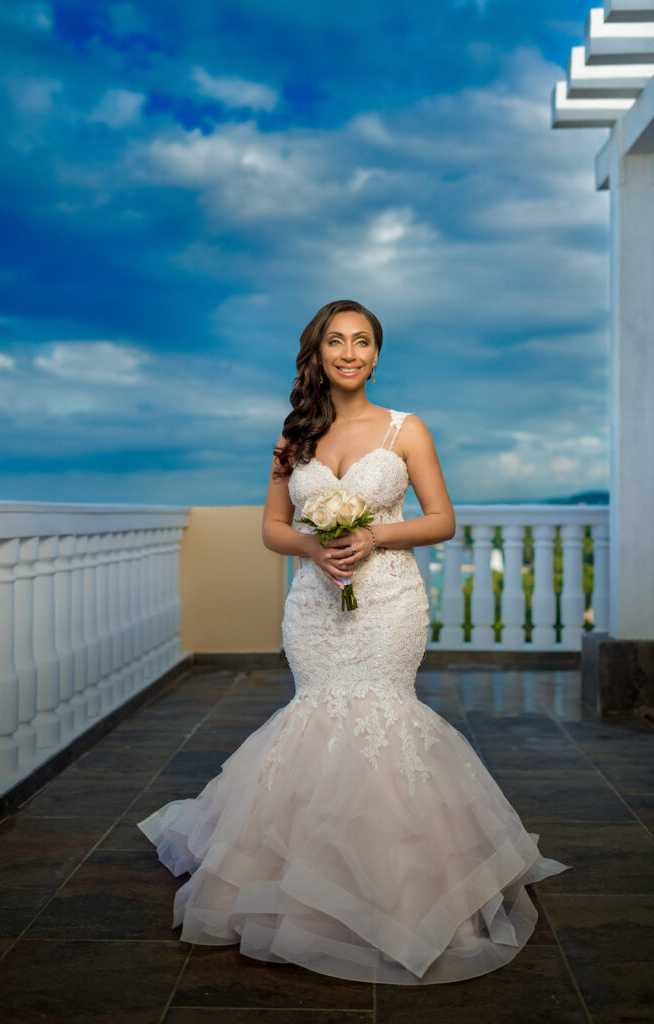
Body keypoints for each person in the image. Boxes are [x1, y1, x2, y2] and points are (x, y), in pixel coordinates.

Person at [137, 298, 571, 985]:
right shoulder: (293, 437)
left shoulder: (405, 428)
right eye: (335, 341)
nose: (349, 352)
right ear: (318, 353)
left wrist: (373, 535)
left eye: (361, 341)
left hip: (388, 602)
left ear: (376, 353)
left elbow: (441, 520)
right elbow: (273, 529)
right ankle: (305, 881)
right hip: (314, 608)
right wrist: (314, 549)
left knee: (380, 716)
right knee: (316, 716)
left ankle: (399, 888)